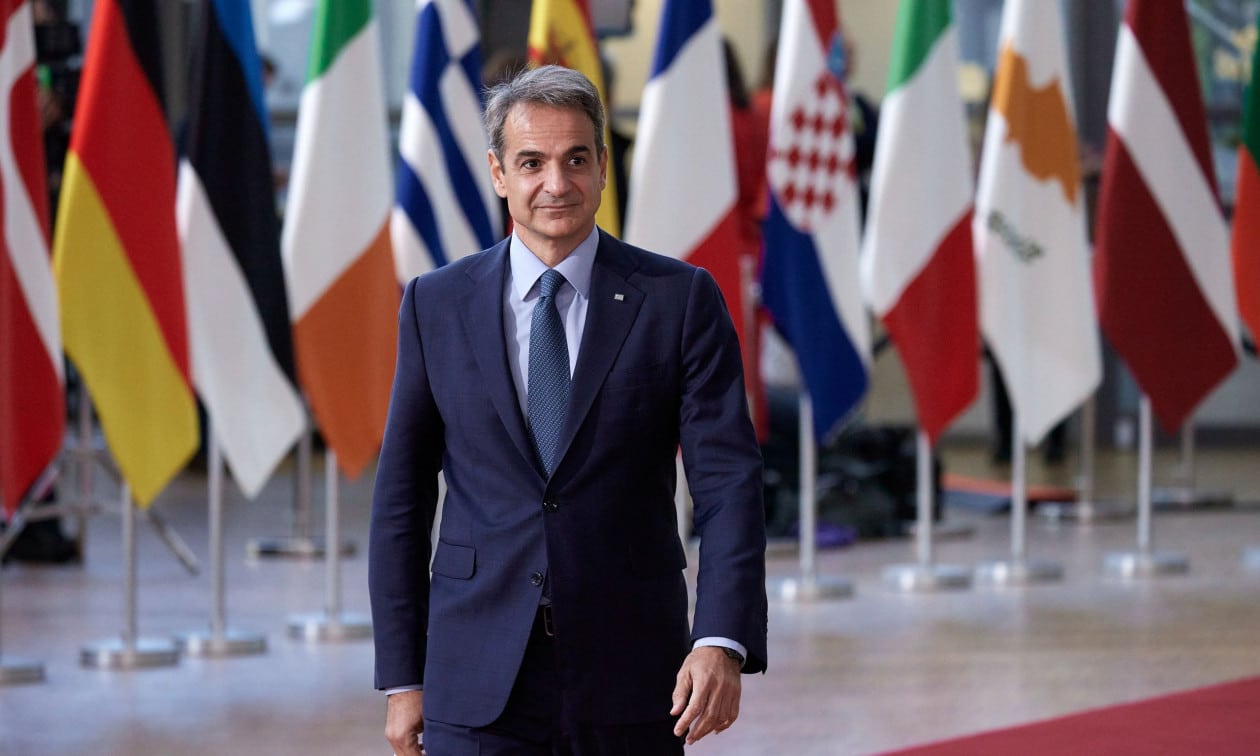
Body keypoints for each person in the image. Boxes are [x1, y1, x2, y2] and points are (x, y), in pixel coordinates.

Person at [369, 65, 768, 755]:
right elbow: (401, 500)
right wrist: (403, 677)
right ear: (498, 173)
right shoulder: (436, 304)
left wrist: (720, 639)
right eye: (532, 163)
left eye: (576, 159)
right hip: (475, 675)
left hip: (635, 674)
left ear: (603, 167)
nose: (557, 183)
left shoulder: (678, 301)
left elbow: (728, 484)